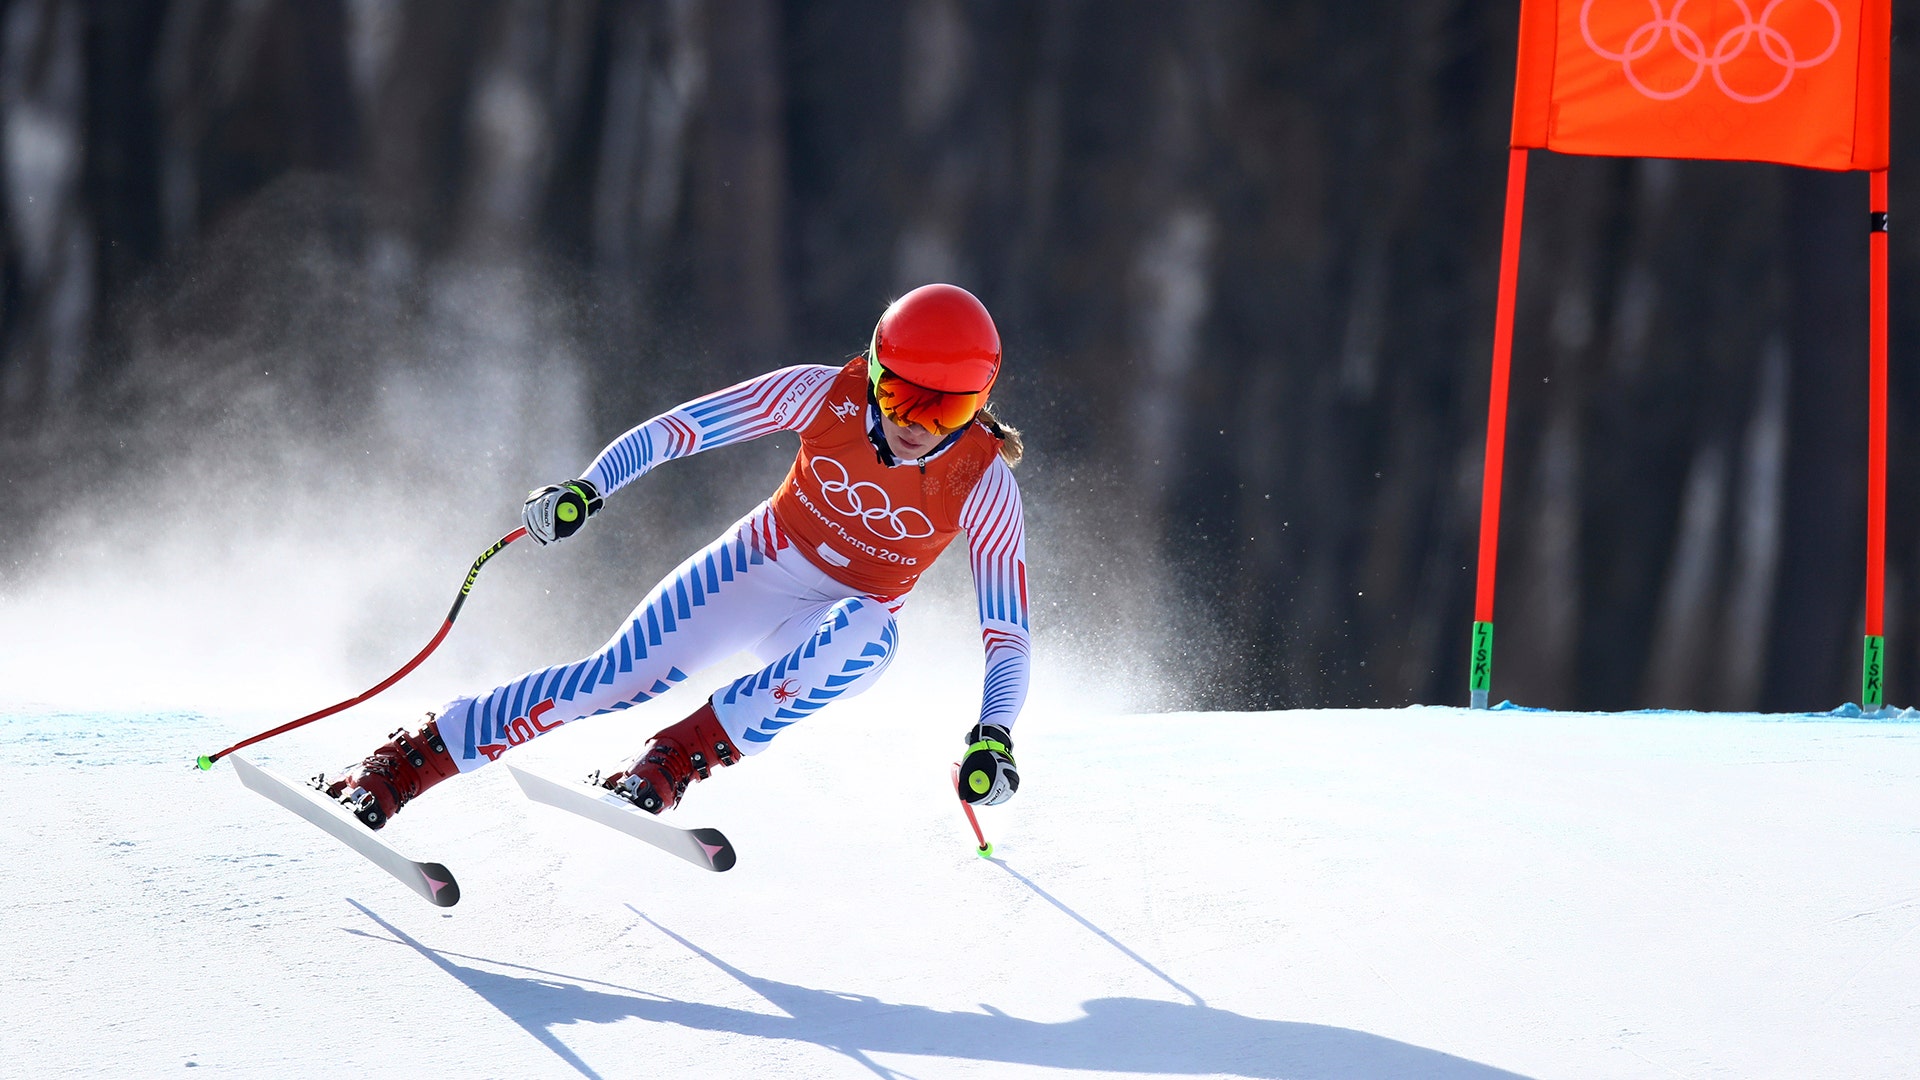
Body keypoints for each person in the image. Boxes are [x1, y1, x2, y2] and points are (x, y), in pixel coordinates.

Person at [322, 283, 1030, 829]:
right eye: (902, 395)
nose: (914, 424)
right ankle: (404, 764)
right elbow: (680, 430)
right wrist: (588, 488)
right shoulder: (819, 394)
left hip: (831, 628)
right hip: (756, 568)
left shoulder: (984, 483)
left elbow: (1007, 636)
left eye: (946, 411)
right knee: (611, 681)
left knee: (874, 637)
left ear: (978, 406)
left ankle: (675, 759)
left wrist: (992, 735)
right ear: (875, 371)